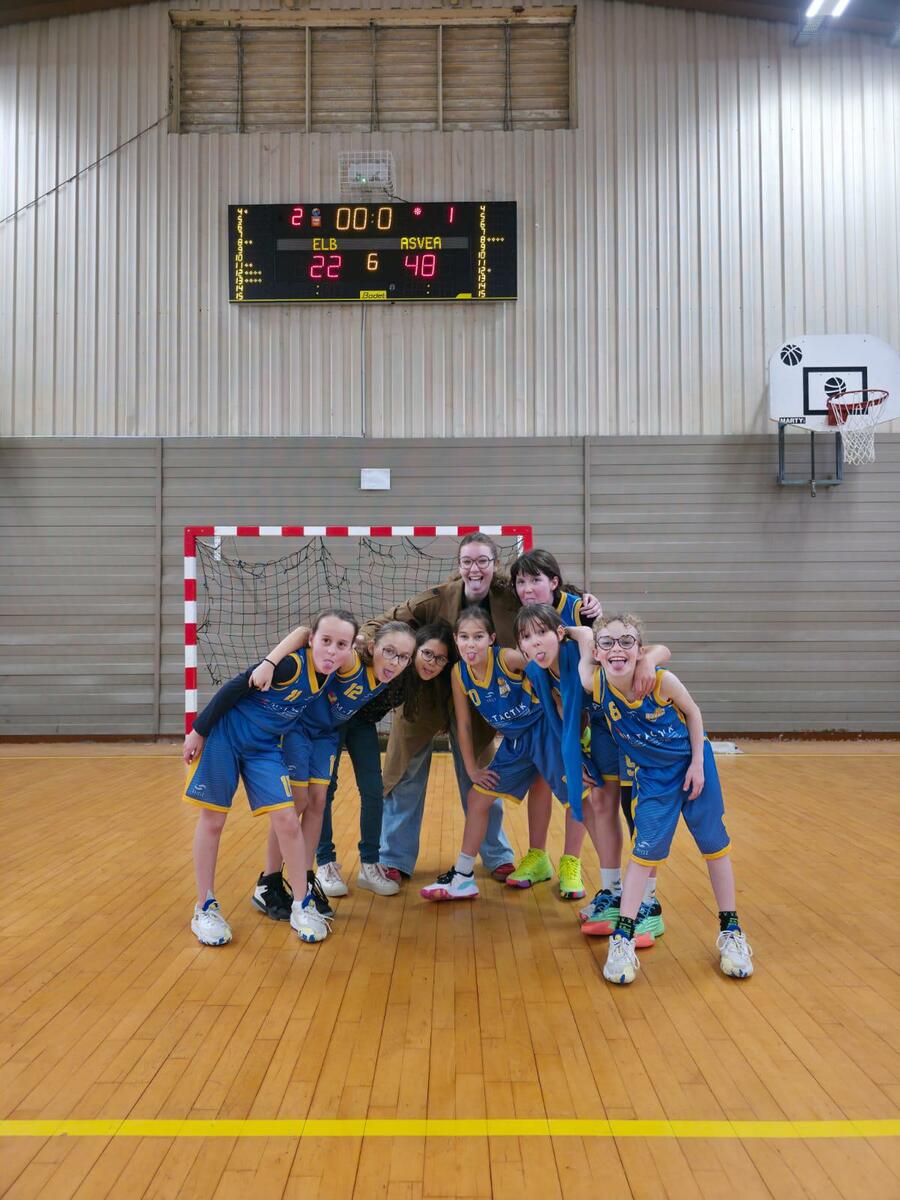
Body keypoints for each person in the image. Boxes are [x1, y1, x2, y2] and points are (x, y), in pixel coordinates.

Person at [579, 614, 753, 986]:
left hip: (692, 766)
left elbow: (693, 713)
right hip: (653, 777)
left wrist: (698, 764)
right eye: (607, 642)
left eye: (627, 641)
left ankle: (732, 932)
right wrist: (580, 634)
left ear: (640, 650)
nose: (617, 649)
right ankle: (622, 938)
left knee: (714, 845)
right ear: (598, 652)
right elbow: (582, 659)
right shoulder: (596, 683)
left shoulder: (661, 681)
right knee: (643, 853)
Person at [182, 609, 357, 947]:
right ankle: (204, 907)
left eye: (341, 644)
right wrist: (198, 731)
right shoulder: (289, 665)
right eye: (325, 641)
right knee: (213, 821)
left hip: (264, 747)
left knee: (288, 820)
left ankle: (301, 904)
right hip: (225, 737)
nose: (332, 650)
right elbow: (234, 688)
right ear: (311, 641)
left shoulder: (334, 670)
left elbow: (359, 644)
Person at [361, 533, 519, 880]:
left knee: (483, 776)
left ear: (494, 564)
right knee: (405, 775)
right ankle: (394, 858)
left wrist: (585, 606)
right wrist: (364, 644)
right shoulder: (435, 599)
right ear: (459, 565)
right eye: (467, 561)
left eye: (482, 561)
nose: (475, 568)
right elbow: (381, 623)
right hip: (425, 695)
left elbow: (552, 601)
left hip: (477, 700)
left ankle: (497, 854)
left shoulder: (511, 600)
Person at [420, 608, 596, 901]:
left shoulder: (507, 658)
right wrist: (472, 768)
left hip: (545, 730)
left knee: (578, 796)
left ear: (491, 639)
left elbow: (547, 673)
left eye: (478, 636)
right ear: (455, 639)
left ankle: (577, 866)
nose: (471, 644)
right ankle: (463, 877)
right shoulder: (458, 673)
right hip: (516, 742)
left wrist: (573, 733)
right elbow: (463, 724)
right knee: (477, 798)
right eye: (464, 637)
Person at [248, 620, 417, 912]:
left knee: (325, 799)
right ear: (373, 647)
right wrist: (269, 662)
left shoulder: (395, 676)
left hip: (333, 731)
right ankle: (278, 879)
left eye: (403, 656)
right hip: (304, 729)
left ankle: (314, 877)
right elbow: (305, 633)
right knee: (297, 804)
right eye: (389, 651)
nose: (394, 660)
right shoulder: (352, 661)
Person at [313, 621, 457, 897]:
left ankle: (369, 864)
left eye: (439, 658)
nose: (431, 662)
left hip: (363, 725)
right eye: (427, 654)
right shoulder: (361, 659)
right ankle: (325, 863)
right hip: (331, 725)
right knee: (324, 790)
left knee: (373, 791)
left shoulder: (410, 677)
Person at [505, 548, 603, 896]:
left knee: (579, 784)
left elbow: (601, 647)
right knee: (541, 778)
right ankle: (537, 856)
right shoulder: (523, 618)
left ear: (554, 582)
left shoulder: (579, 609)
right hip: (548, 709)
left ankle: (571, 861)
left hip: (587, 713)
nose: (528, 588)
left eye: (536, 580)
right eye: (521, 582)